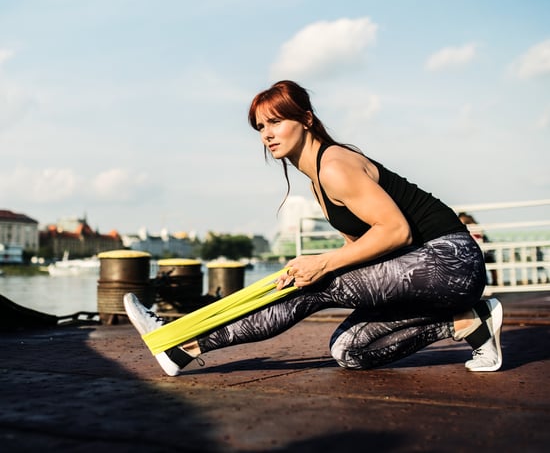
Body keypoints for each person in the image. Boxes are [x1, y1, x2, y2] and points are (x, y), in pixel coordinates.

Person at [124, 80, 503, 376]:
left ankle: (182, 347)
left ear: (306, 119)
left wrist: (321, 265)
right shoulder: (316, 184)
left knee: (317, 282)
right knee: (349, 352)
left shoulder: (334, 165)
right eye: (259, 127)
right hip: (419, 274)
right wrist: (314, 267)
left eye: (276, 121)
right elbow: (365, 248)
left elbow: (396, 232)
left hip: (450, 261)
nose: (266, 134)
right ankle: (469, 322)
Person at [458, 212, 498, 286]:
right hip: (479, 250)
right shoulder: (473, 226)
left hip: (481, 250)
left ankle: (487, 283)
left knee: (480, 265)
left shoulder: (471, 227)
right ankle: (489, 282)